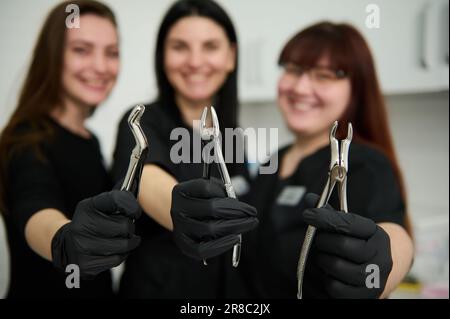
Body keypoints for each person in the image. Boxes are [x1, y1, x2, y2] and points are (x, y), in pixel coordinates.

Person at [171, 21, 415, 299]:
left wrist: (381, 268)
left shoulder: (365, 164)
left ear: (355, 89)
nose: (300, 87)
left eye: (324, 75)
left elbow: (395, 235)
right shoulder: (272, 163)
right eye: (293, 69)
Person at [112, 0, 257, 298]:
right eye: (180, 47)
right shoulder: (140, 122)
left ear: (231, 56)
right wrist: (189, 212)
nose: (194, 61)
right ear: (162, 56)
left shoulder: (233, 135)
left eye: (210, 46)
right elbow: (147, 180)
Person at [0, 0, 141, 299]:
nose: (101, 66)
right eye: (82, 49)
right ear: (53, 55)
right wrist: (67, 239)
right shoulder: (24, 139)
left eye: (111, 53)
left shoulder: (90, 142)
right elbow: (35, 209)